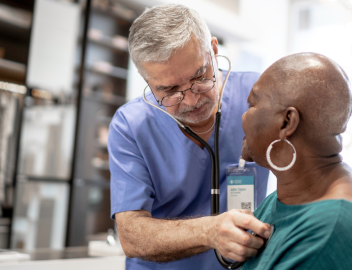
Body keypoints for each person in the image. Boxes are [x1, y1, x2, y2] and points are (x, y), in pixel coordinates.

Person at [108, 4, 272, 270]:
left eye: (199, 76)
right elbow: (131, 237)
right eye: (170, 89)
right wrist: (209, 231)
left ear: (214, 50)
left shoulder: (260, 96)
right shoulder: (131, 126)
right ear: (146, 79)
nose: (192, 99)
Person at [240, 53, 352, 269]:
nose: (242, 116)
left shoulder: (328, 231)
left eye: (251, 104)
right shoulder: (286, 198)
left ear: (287, 122)